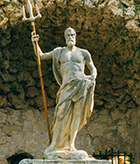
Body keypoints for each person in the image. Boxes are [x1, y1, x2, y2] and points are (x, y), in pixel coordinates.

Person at [32, 27, 97, 157]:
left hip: (81, 84)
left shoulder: (84, 53)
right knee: (60, 113)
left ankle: (71, 145)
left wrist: (92, 78)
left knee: (76, 115)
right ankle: (54, 144)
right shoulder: (59, 52)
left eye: (72, 34)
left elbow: (92, 68)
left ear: (76, 36)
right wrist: (35, 43)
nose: (70, 37)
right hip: (66, 87)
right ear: (64, 37)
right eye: (68, 35)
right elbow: (41, 56)